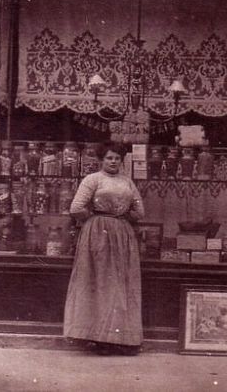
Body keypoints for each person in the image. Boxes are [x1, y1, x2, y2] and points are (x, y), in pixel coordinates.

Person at [63, 143, 145, 355]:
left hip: (122, 234)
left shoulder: (127, 181)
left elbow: (139, 211)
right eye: (109, 158)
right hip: (98, 233)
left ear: (121, 160)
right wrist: (95, 219)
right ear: (101, 160)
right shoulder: (92, 180)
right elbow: (76, 208)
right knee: (100, 281)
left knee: (120, 283)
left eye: (117, 158)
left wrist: (123, 218)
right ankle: (99, 338)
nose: (113, 161)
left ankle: (121, 338)